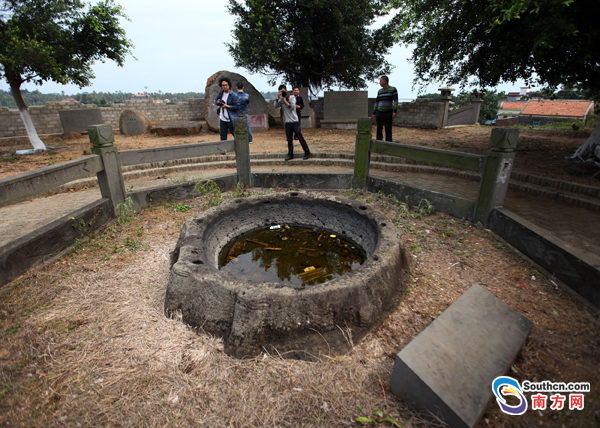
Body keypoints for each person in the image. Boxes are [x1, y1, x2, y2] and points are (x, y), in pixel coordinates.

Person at [274, 84, 311, 161]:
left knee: (300, 138)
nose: (283, 92)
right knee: (289, 140)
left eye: (283, 91)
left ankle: (307, 152)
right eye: (281, 91)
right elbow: (275, 106)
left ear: (287, 91)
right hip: (287, 122)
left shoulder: (292, 97)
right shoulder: (281, 99)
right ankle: (290, 154)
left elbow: (292, 107)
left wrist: (284, 100)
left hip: (295, 121)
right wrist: (277, 97)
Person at [371, 76, 398, 142]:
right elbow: (377, 102)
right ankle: (379, 142)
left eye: (381, 81)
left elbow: (396, 101)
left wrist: (395, 111)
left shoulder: (393, 89)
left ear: (385, 81)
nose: (380, 83)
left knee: (388, 129)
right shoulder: (380, 91)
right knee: (379, 129)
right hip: (380, 112)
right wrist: (374, 112)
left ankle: (388, 144)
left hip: (388, 112)